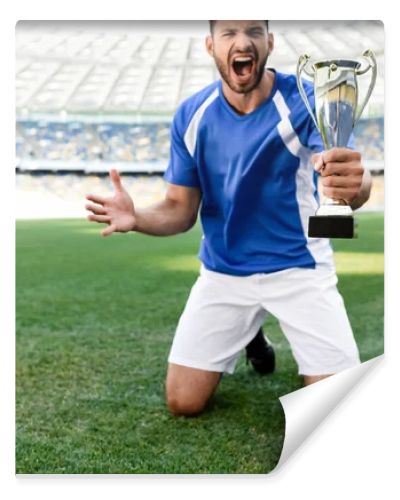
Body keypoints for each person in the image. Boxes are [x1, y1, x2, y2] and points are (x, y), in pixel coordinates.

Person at [85, 20, 371, 417]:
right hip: (224, 272)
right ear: (210, 45)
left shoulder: (306, 99)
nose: (243, 42)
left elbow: (351, 179)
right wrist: (137, 217)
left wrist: (357, 183)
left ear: (269, 43)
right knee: (183, 402)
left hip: (298, 267)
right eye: (229, 33)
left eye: (254, 31)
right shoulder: (192, 115)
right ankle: (250, 332)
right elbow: (180, 210)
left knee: (338, 408)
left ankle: (253, 329)